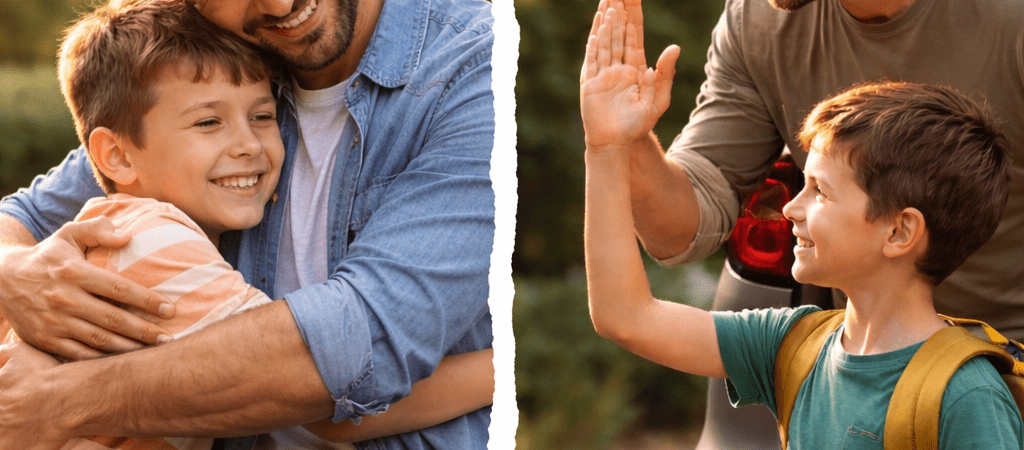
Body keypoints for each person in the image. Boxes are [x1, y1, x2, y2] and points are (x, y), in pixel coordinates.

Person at [0, 0, 497, 447]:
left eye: (263, 116)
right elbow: (317, 393)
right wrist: (14, 273)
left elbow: (330, 364)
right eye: (209, 123)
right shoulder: (212, 60)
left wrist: (61, 398)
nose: (279, 6)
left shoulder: (470, 66)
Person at [580, 0, 1024, 446]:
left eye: (820, 192)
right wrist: (608, 148)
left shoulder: (970, 396)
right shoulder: (790, 345)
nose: (789, 208)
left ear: (899, 231)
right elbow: (626, 316)